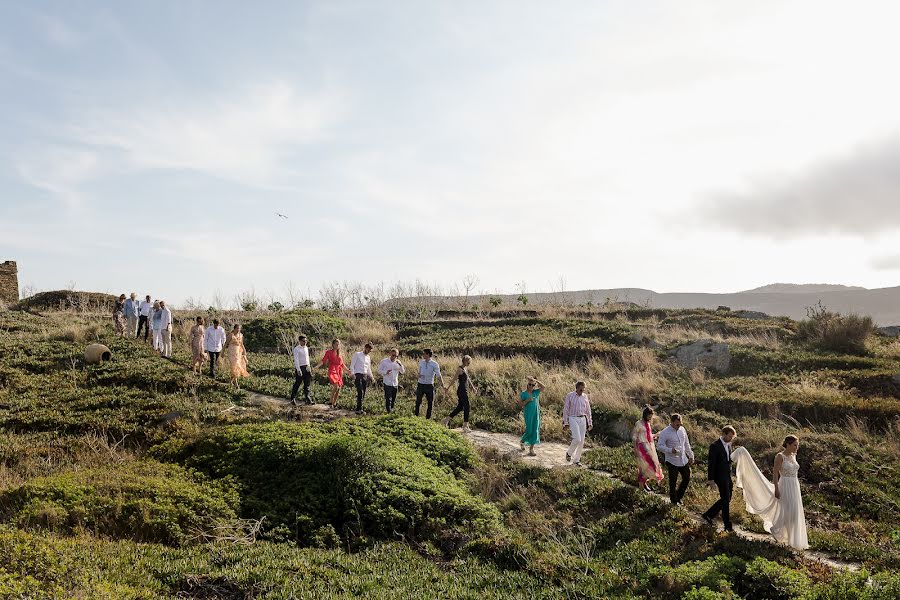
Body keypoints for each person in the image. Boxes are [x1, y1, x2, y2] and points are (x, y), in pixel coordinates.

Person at [732, 435, 809, 550]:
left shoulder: (794, 456)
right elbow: (775, 474)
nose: (796, 447)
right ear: (788, 444)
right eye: (794, 445)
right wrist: (777, 488)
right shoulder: (780, 456)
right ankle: (778, 530)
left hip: (794, 486)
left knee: (794, 513)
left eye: (797, 445)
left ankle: (794, 539)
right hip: (785, 486)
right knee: (786, 511)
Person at [702, 425, 737, 532]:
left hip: (727, 475)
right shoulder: (715, 446)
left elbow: (728, 460)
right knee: (725, 499)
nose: (731, 439)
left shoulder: (729, 445)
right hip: (719, 476)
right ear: (724, 434)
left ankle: (708, 514)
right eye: (730, 436)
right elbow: (711, 464)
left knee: (728, 498)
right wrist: (711, 479)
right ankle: (727, 525)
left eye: (732, 437)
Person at [657, 413, 695, 505]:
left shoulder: (682, 430)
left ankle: (679, 496)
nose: (679, 426)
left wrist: (691, 455)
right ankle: (673, 501)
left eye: (680, 424)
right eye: (677, 424)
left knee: (687, 477)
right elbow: (659, 446)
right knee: (673, 481)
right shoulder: (665, 432)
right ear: (672, 422)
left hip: (683, 459)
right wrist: (670, 450)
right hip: (671, 460)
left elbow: (686, 444)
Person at [633, 405, 663, 492]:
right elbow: (635, 437)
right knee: (648, 466)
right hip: (642, 447)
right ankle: (641, 486)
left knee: (648, 466)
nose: (650, 417)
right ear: (645, 414)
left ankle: (643, 483)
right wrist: (635, 449)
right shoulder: (639, 423)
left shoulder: (648, 424)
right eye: (649, 415)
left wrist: (656, 435)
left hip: (649, 447)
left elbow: (648, 436)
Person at [443, 355, 477, 431]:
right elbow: (454, 379)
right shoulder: (460, 369)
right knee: (467, 406)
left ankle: (446, 420)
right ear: (464, 361)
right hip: (461, 390)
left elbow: (468, 379)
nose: (469, 363)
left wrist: (473, 388)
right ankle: (465, 426)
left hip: (464, 389)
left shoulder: (465, 369)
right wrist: (447, 388)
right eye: (468, 361)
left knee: (460, 407)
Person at [562, 381, 593, 466]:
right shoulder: (570, 396)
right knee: (577, 438)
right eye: (580, 390)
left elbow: (588, 410)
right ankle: (569, 453)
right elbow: (566, 409)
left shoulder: (585, 397)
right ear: (576, 388)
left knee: (581, 441)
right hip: (573, 418)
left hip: (582, 419)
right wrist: (565, 422)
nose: (582, 391)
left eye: (583, 390)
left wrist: (590, 422)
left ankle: (576, 460)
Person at [518, 376, 544, 456]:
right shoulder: (523, 394)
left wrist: (536, 380)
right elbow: (521, 404)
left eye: (533, 385)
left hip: (536, 414)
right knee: (529, 429)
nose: (531, 386)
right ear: (527, 384)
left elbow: (543, 387)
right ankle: (522, 441)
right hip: (528, 414)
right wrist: (527, 400)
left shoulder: (535, 392)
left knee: (535, 430)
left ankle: (531, 449)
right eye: (530, 384)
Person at [320, 339, 349, 409]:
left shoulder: (340, 354)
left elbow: (342, 365)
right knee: (336, 386)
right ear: (333, 345)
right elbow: (323, 361)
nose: (337, 346)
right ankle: (330, 402)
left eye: (338, 344)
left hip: (339, 372)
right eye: (336, 344)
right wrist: (316, 367)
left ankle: (334, 403)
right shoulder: (328, 352)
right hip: (332, 371)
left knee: (339, 388)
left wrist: (348, 370)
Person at [415, 349, 444, 419]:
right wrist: (418, 375)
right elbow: (419, 372)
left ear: (428, 354)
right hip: (420, 384)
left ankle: (428, 419)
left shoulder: (434, 364)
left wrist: (442, 385)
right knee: (418, 402)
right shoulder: (421, 362)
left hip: (429, 385)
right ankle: (416, 417)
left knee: (430, 403)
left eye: (424, 354)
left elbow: (438, 375)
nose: (423, 355)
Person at [378, 348, 405, 413]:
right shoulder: (384, 361)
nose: (394, 357)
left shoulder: (398, 362)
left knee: (393, 399)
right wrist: (385, 372)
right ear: (390, 354)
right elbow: (379, 370)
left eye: (396, 356)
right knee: (388, 398)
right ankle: (389, 412)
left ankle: (391, 411)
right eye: (393, 355)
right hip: (387, 382)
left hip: (395, 383)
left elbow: (403, 371)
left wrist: (401, 365)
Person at [350, 343, 374, 414]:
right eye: (368, 349)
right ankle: (358, 408)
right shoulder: (357, 354)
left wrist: (372, 377)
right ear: (365, 347)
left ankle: (360, 408)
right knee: (360, 391)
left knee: (363, 392)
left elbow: (369, 368)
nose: (369, 351)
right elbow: (352, 365)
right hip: (358, 375)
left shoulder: (368, 357)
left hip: (365, 376)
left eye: (370, 350)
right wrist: (352, 374)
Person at [223, 324, 250, 389]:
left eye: (239, 328)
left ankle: (231, 381)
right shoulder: (230, 335)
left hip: (238, 353)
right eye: (237, 328)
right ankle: (236, 384)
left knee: (237, 367)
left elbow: (241, 344)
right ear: (234, 328)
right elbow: (226, 344)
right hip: (231, 353)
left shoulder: (241, 335)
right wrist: (222, 352)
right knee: (234, 367)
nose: (238, 330)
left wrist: (244, 351)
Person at [289, 335, 312, 405]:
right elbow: (296, 360)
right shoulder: (296, 349)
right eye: (303, 341)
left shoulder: (306, 348)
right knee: (297, 383)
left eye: (306, 341)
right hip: (300, 368)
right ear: (300, 341)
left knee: (307, 384)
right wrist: (298, 370)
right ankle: (293, 398)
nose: (305, 342)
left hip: (306, 367)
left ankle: (307, 398)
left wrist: (309, 366)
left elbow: (307, 358)